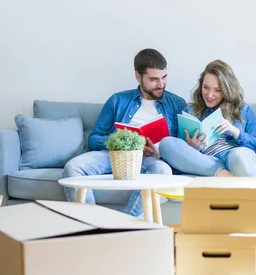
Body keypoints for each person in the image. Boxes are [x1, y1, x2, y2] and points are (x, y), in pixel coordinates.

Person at [159, 59, 256, 261]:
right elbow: (178, 154)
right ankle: (229, 177)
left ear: (227, 90)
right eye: (205, 87)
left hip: (235, 157)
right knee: (167, 143)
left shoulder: (242, 110)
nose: (209, 94)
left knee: (239, 155)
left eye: (217, 90)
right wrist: (192, 147)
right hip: (205, 163)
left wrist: (235, 132)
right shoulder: (189, 111)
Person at [62, 49, 186, 217]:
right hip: (115, 156)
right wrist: (124, 142)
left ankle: (125, 227)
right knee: (73, 167)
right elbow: (94, 139)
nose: (161, 84)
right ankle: (91, 225)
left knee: (163, 171)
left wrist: (161, 153)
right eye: (153, 79)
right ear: (138, 77)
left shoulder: (176, 103)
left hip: (152, 160)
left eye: (164, 77)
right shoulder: (118, 100)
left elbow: (180, 146)